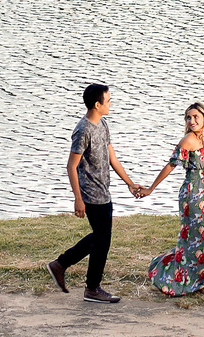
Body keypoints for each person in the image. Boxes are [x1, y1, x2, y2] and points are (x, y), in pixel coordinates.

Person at [47, 83, 143, 304]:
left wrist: (129, 183)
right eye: (108, 101)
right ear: (97, 104)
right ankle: (88, 285)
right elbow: (71, 166)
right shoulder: (83, 130)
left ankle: (63, 267)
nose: (111, 104)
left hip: (104, 191)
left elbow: (112, 157)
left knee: (101, 239)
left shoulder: (103, 124)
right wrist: (78, 199)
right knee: (102, 238)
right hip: (90, 194)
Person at [140, 102, 204, 296]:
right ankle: (197, 282)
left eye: (196, 117)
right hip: (192, 195)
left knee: (200, 239)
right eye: (189, 118)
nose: (192, 121)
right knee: (202, 237)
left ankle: (192, 278)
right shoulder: (187, 140)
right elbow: (170, 166)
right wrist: (151, 189)